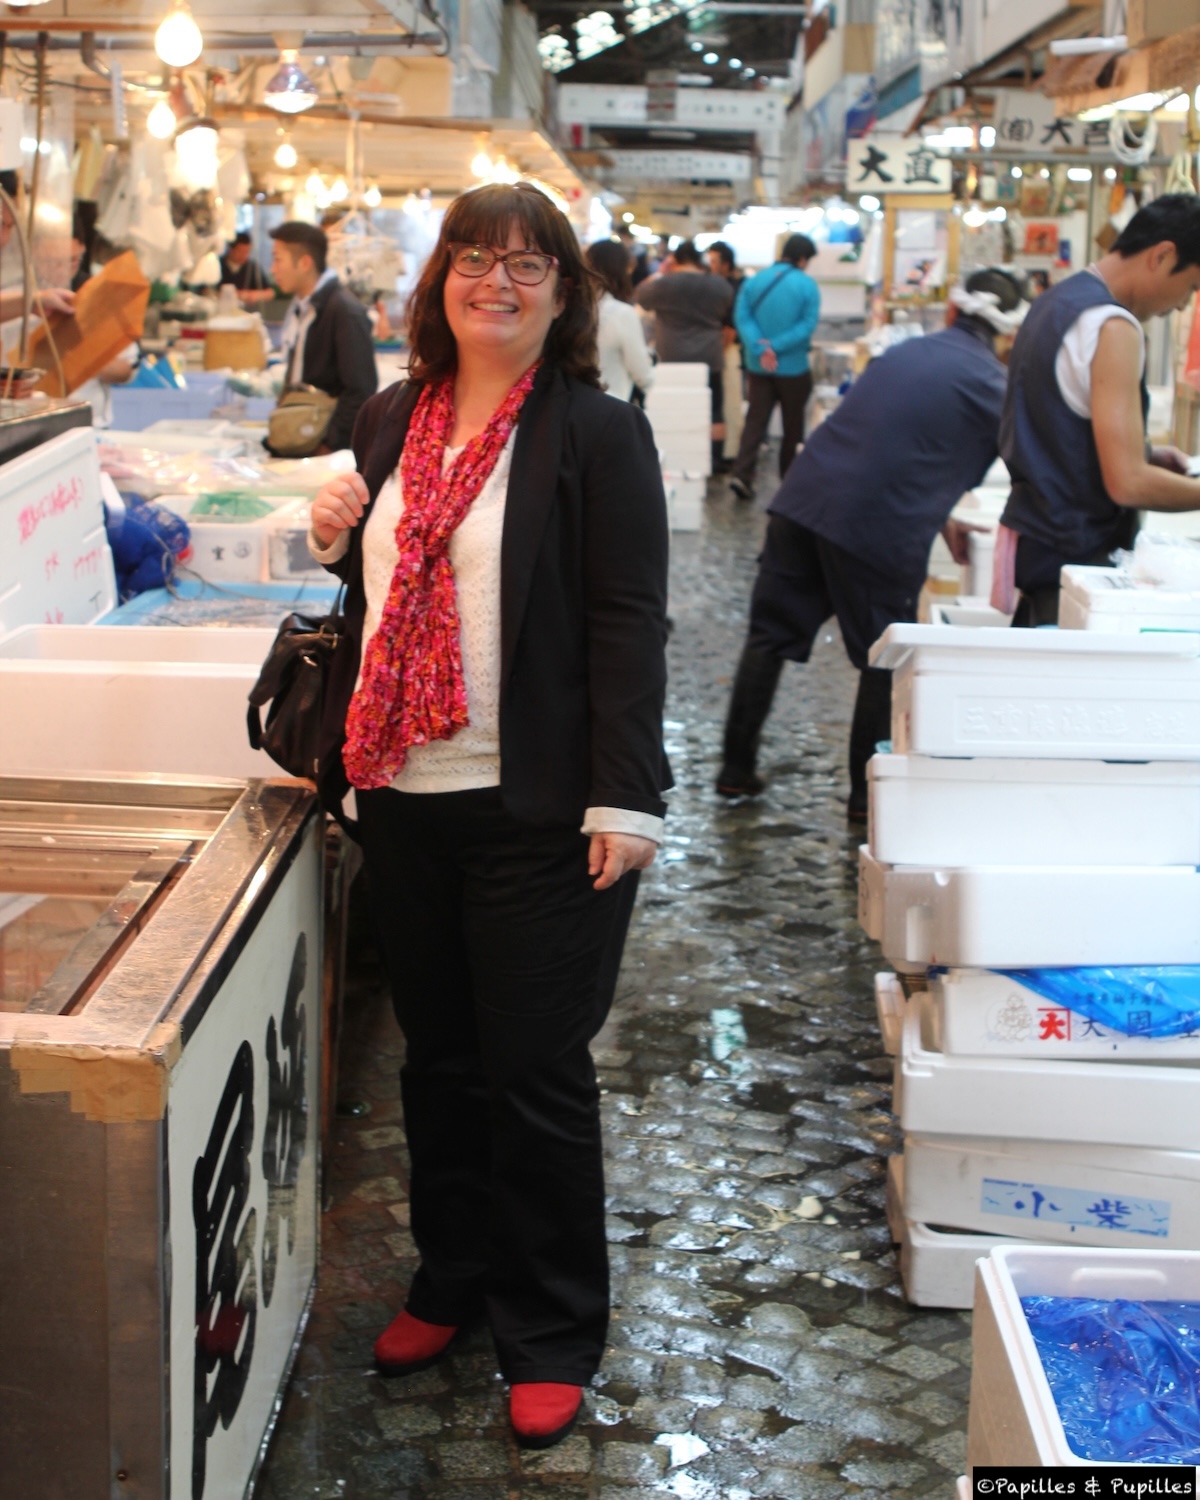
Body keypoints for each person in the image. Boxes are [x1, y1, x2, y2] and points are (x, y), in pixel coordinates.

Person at [307, 182, 669, 1449]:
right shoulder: (390, 415)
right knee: (440, 1061)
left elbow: (629, 622)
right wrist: (332, 526)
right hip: (404, 793)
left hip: (538, 806)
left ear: (565, 293)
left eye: (528, 265)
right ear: (439, 281)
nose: (496, 283)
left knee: (537, 1076)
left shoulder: (597, 435)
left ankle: (553, 1326)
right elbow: (381, 583)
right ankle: (450, 1279)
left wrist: (628, 792)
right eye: (474, 259)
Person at [717, 268, 1029, 818]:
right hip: (877, 527)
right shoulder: (993, 384)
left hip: (806, 499)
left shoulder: (903, 354)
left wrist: (940, 516)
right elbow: (1031, 464)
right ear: (1008, 333)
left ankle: (734, 770)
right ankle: (867, 798)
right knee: (881, 659)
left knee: (769, 635)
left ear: (954, 312)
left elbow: (890, 439)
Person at [999, 193, 1200, 626]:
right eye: (1191, 286)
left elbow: (1058, 426)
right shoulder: (1114, 325)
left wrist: (1144, 454)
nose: (1183, 305)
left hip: (1043, 552)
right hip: (1077, 565)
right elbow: (1127, 484)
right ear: (1163, 255)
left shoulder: (1055, 303)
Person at [269, 220, 377, 452]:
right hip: (302, 433)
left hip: (323, 446)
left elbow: (361, 389)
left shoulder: (344, 311)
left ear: (305, 262)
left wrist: (329, 443)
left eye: (278, 259)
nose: (272, 269)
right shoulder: (304, 308)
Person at [728, 233, 821, 500]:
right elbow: (807, 325)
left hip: (758, 366)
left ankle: (741, 475)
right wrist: (776, 346)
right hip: (793, 367)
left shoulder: (755, 280)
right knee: (793, 427)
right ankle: (789, 484)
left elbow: (741, 317)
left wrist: (761, 347)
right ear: (803, 259)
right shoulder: (807, 285)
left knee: (755, 421)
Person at [635, 238, 733, 471]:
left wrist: (661, 272)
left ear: (675, 260)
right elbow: (727, 306)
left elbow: (640, 297)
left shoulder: (664, 284)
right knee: (715, 409)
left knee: (675, 407)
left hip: (672, 355)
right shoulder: (719, 285)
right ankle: (715, 461)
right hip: (710, 355)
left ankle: (676, 452)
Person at [586, 238, 655, 401]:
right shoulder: (622, 313)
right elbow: (642, 374)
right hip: (612, 405)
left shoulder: (572, 307)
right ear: (621, 270)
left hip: (576, 407)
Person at [220, 230, 270, 296]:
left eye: (247, 252)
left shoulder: (252, 268)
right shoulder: (219, 264)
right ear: (230, 249)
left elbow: (269, 292)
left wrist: (249, 295)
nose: (244, 255)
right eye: (241, 252)